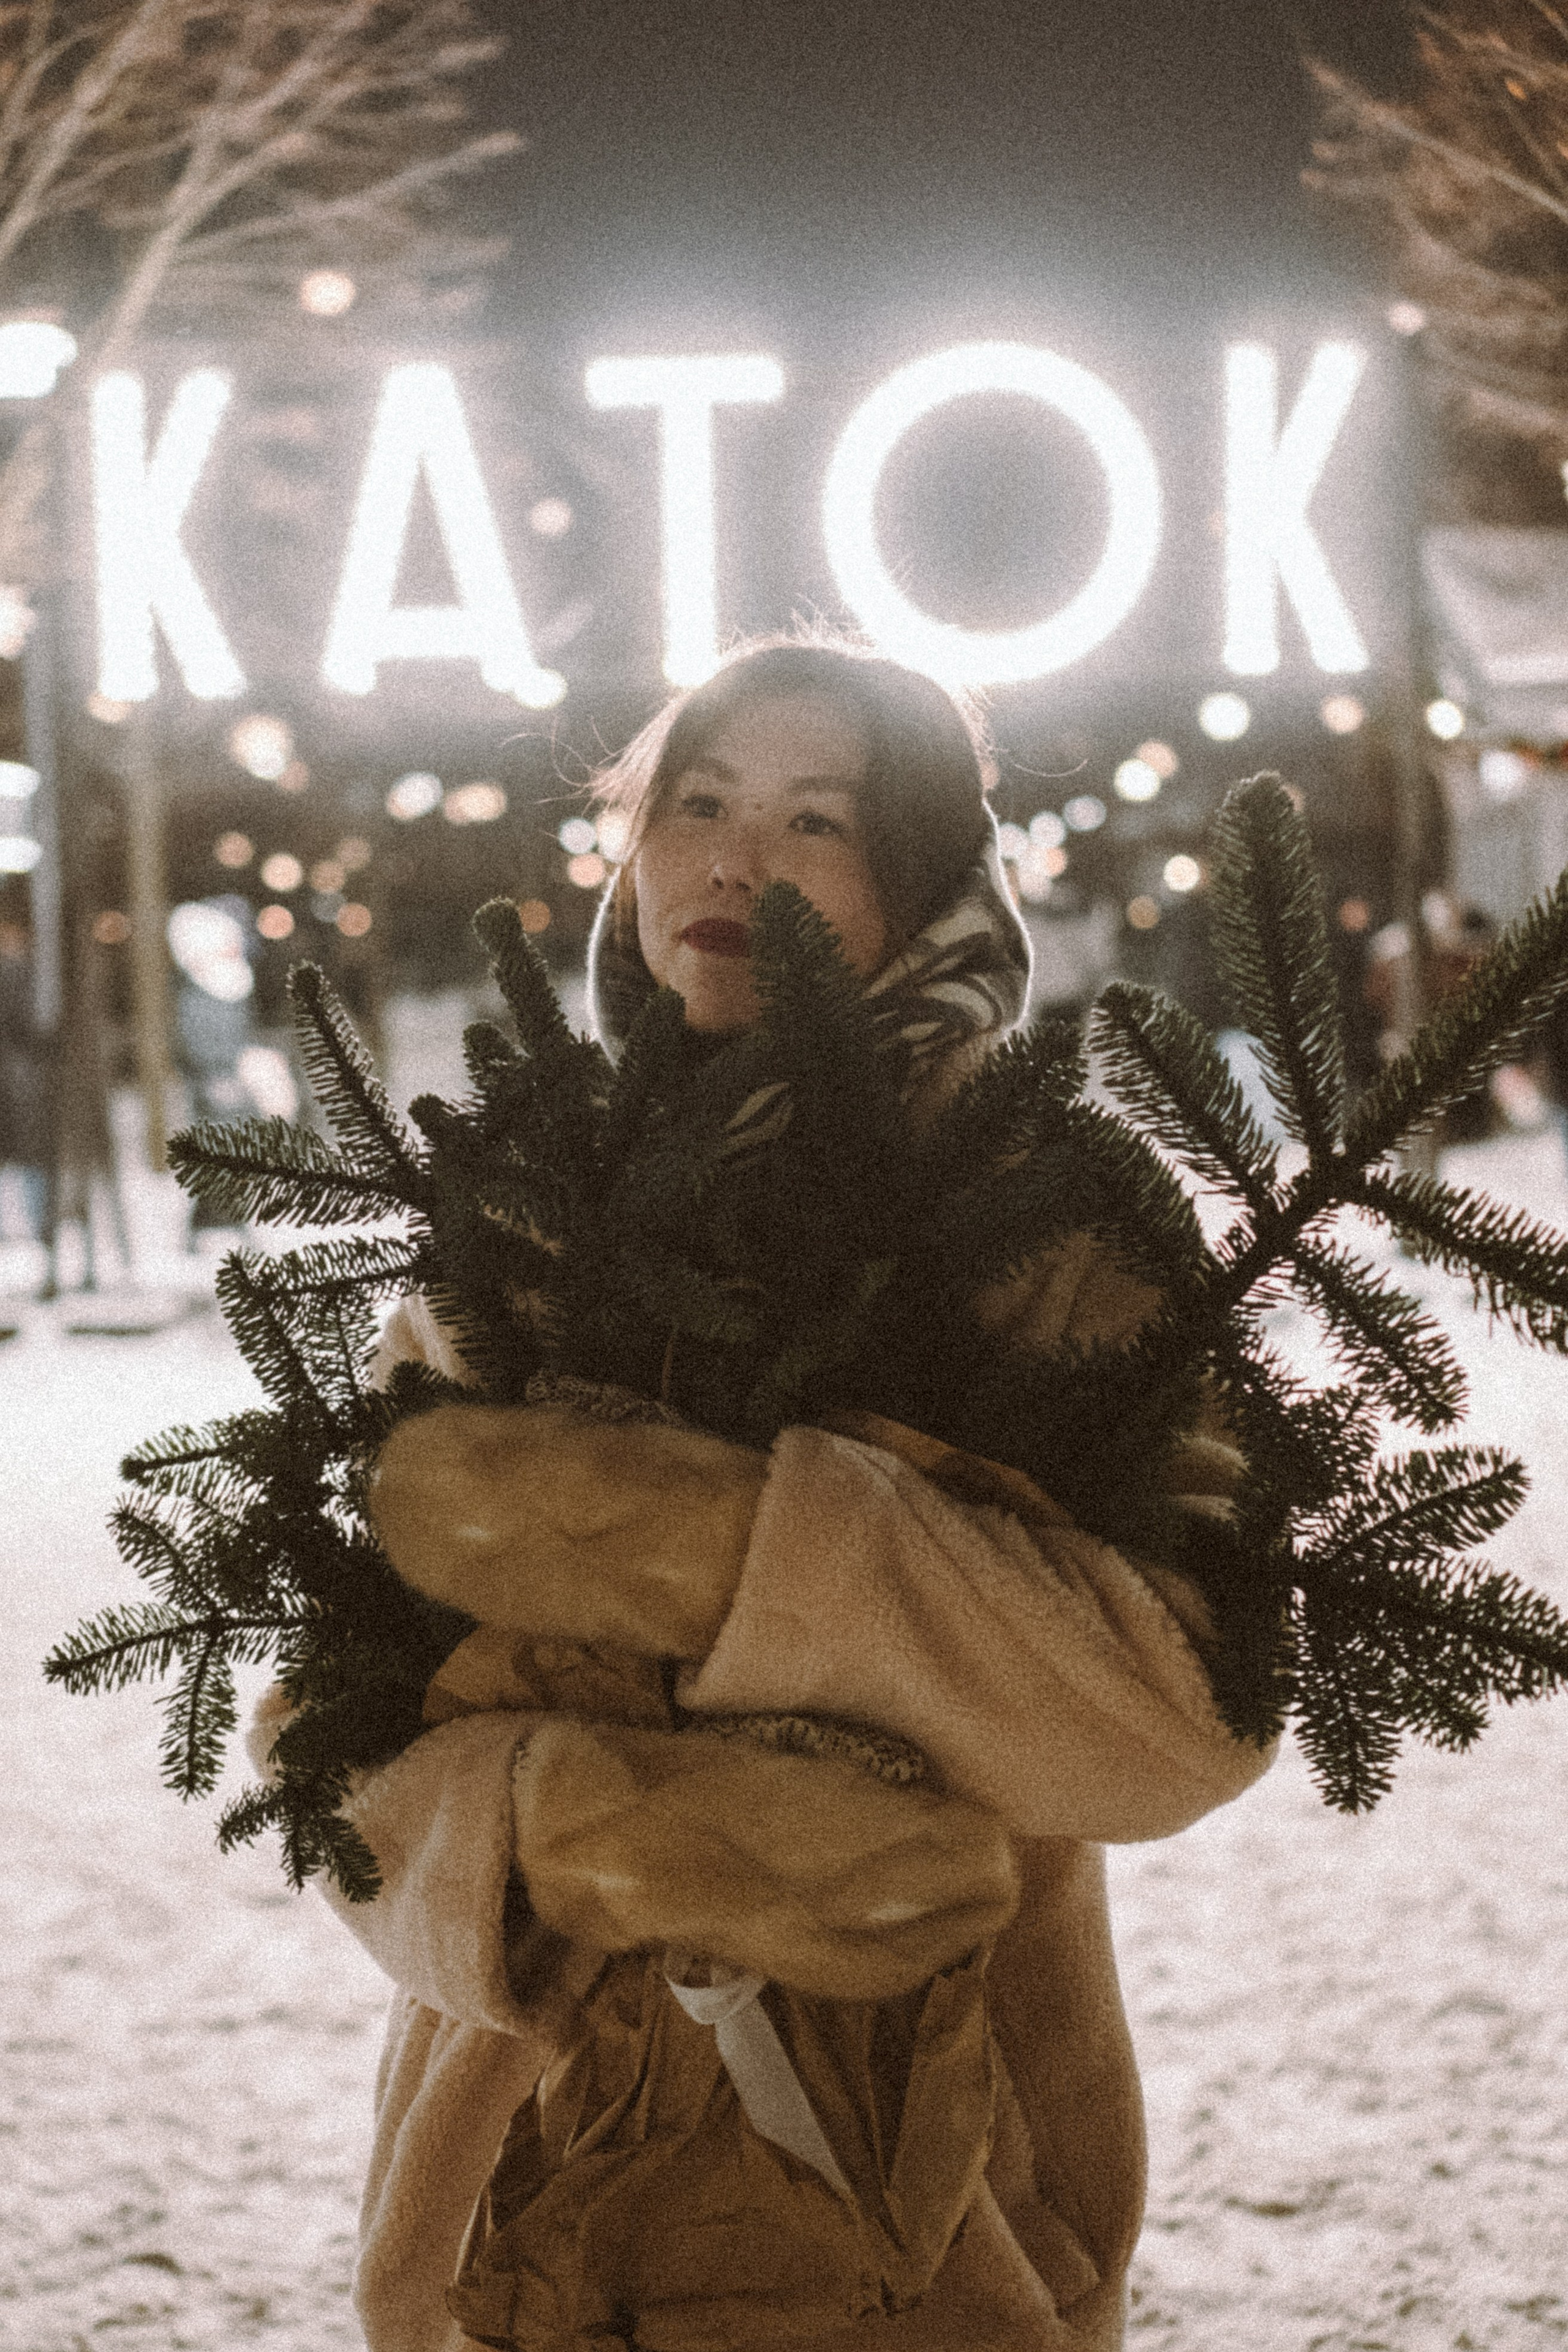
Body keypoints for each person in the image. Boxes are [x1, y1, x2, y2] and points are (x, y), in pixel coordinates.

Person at [252, 638, 1274, 2352]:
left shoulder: (1045, 1206)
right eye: (697, 804)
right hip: (526, 2201)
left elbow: (1190, 1706)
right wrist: (559, 1834)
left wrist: (736, 1565)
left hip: (930, 2192)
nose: (733, 860)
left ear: (925, 878)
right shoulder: (529, 1207)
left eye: (817, 821)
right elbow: (327, 1713)